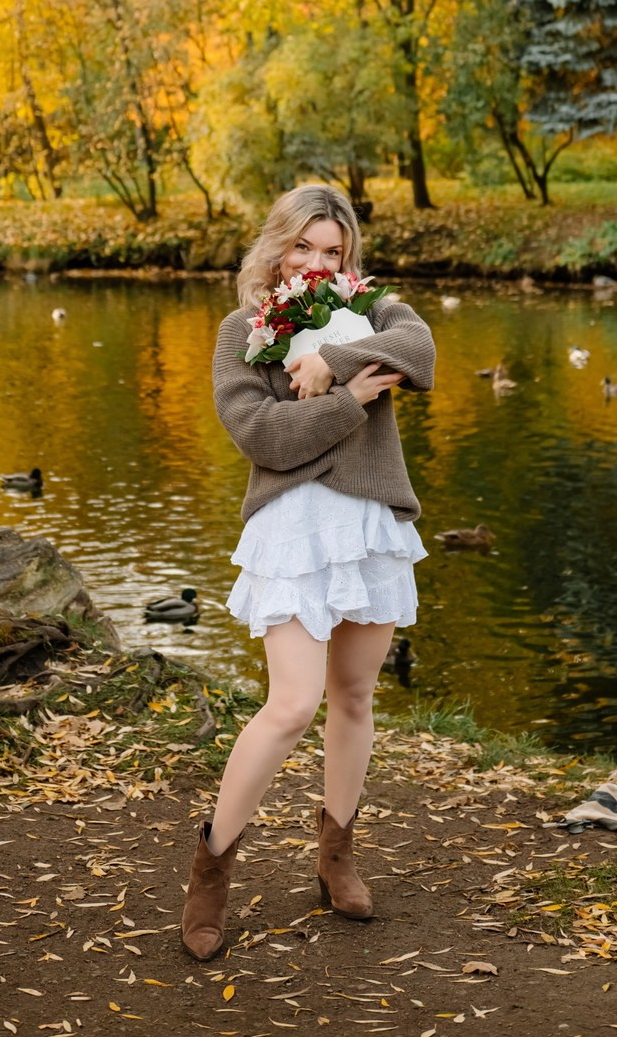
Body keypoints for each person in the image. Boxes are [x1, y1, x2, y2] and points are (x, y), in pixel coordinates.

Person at [180, 183, 436, 960]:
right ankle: (212, 868)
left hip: (370, 523)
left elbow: (420, 356)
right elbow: (264, 437)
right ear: (277, 246)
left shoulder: (380, 313)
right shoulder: (240, 332)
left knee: (354, 695)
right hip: (292, 527)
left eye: (334, 251)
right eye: (305, 247)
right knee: (291, 705)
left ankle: (336, 858)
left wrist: (329, 360)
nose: (319, 264)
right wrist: (351, 400)